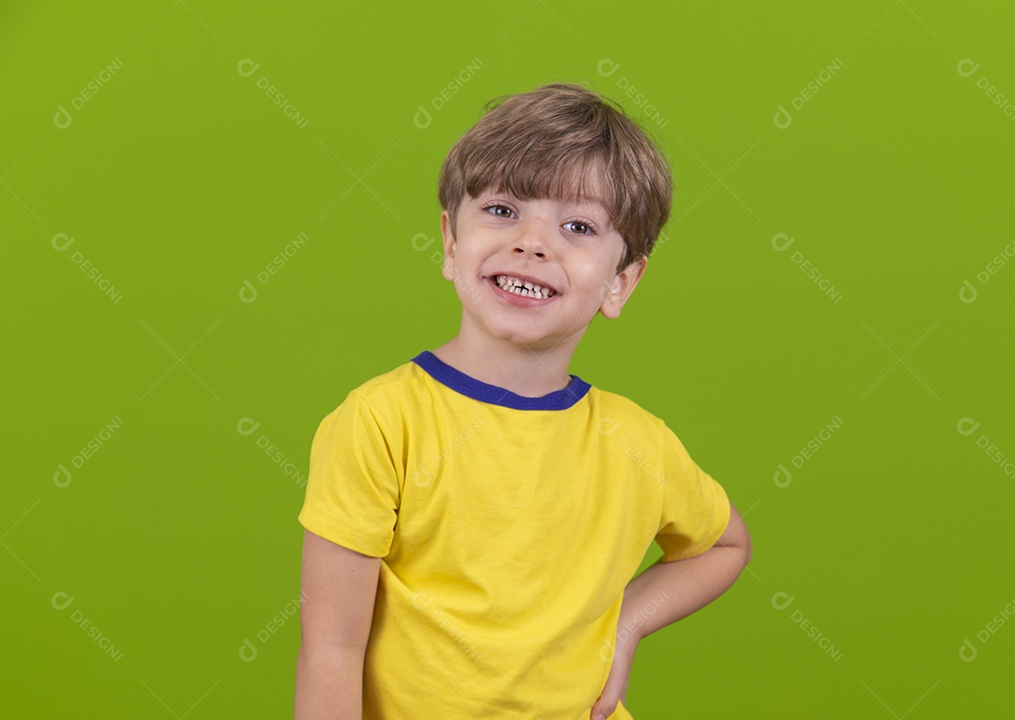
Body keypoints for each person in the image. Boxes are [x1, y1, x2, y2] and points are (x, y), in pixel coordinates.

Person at [294, 82, 752, 720]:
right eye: (504, 210)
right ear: (452, 244)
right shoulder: (379, 423)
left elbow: (724, 544)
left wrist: (625, 626)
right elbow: (331, 648)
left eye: (578, 225)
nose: (533, 243)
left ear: (620, 283)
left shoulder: (637, 442)